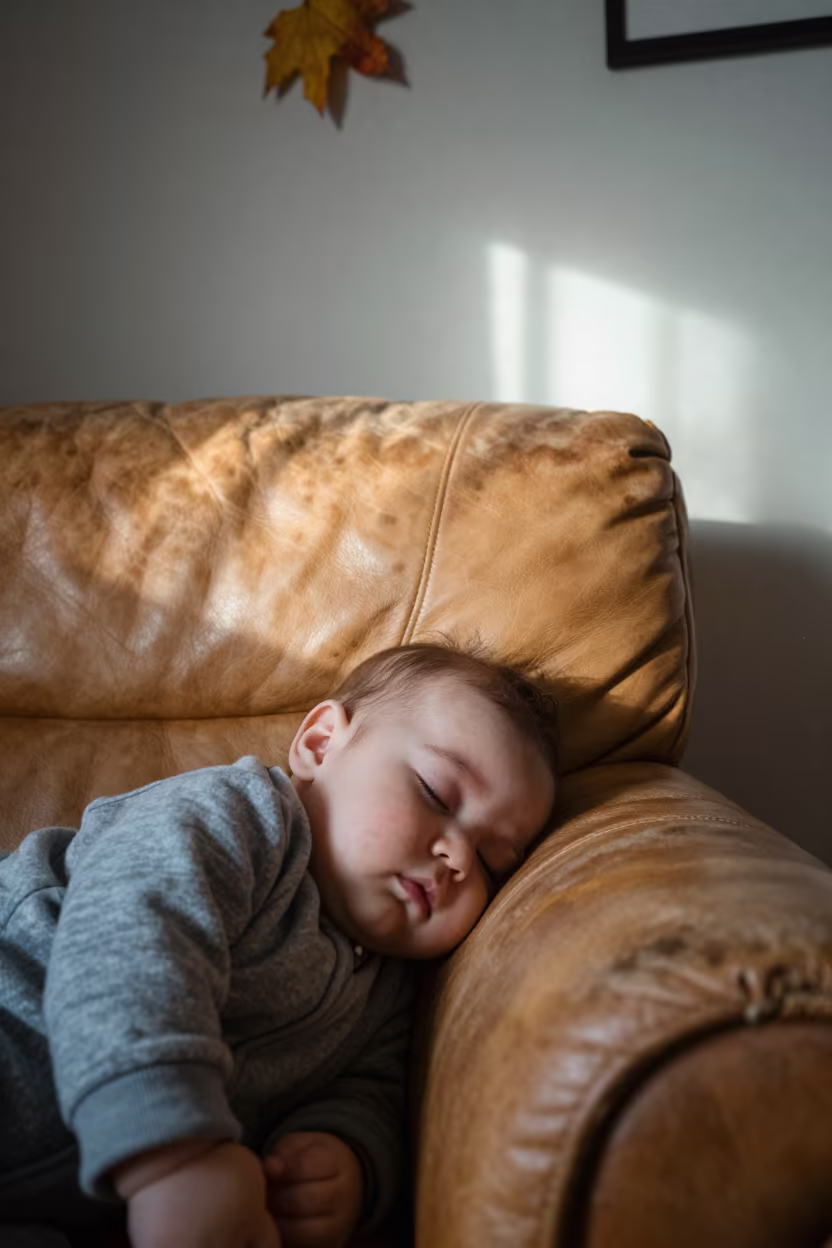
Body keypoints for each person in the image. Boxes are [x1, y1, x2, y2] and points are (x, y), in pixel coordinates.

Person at [0, 642, 558, 1248]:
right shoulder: (237, 815)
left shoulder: (390, 992)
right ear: (321, 746)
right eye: (435, 794)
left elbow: (372, 1091)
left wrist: (344, 1155)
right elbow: (129, 938)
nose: (457, 856)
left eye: (491, 861)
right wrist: (175, 1157)